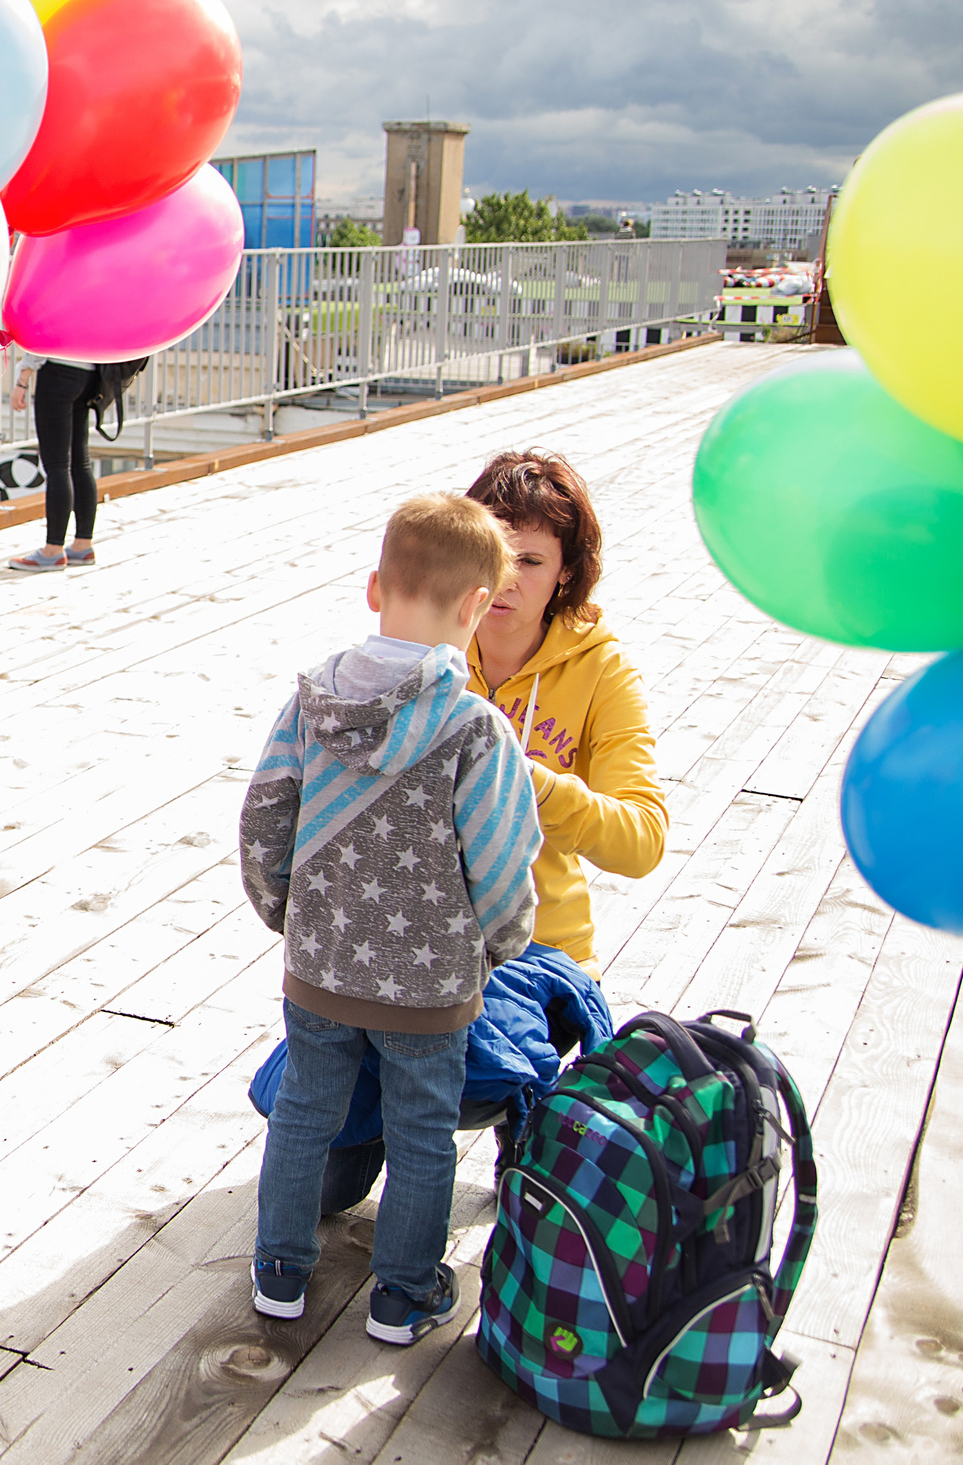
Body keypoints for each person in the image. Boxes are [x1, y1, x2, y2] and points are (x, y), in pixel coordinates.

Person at [240, 493, 543, 1345]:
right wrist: (495, 948)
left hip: (322, 967)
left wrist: (285, 914)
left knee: (305, 1110)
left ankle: (280, 1271)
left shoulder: (310, 702)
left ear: (377, 587)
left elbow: (265, 814)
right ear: (477, 606)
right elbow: (502, 854)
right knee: (422, 1132)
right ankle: (403, 1295)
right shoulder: (473, 726)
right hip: (428, 984)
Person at [462, 450, 668, 969]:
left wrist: (531, 785)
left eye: (530, 561)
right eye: (494, 553)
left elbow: (642, 841)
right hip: (411, 945)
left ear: (566, 573)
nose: (506, 578)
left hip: (540, 956)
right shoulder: (426, 641)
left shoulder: (603, 668)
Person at [7, 352, 100, 570]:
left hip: (58, 370)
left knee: (57, 466)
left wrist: (22, 380)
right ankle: (82, 546)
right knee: (81, 462)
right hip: (90, 372)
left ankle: (53, 551)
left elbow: (42, 335)